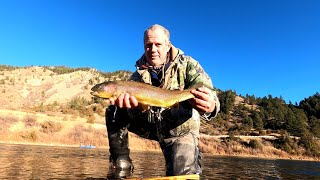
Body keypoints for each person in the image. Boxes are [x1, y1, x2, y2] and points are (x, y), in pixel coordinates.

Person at [105, 24, 220, 178]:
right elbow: (137, 109)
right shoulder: (136, 77)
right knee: (113, 110)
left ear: (168, 45)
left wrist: (211, 105)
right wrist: (131, 106)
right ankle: (121, 164)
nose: (152, 49)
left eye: (158, 44)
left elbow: (208, 91)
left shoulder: (188, 65)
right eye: (148, 45)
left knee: (181, 176)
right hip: (150, 126)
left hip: (179, 131)